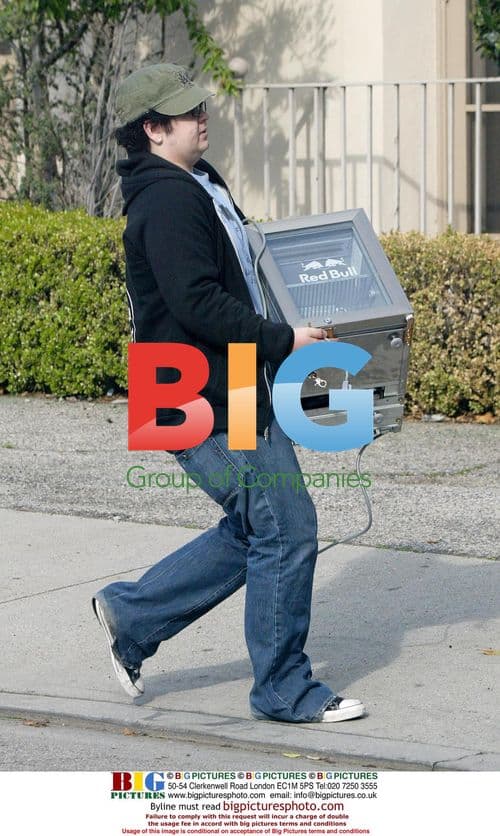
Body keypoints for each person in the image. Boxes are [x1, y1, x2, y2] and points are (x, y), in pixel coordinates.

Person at [92, 63, 365, 724]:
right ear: (153, 130)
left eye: (198, 106)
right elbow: (198, 304)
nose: (202, 116)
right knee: (288, 525)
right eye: (186, 112)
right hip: (189, 390)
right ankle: (283, 687)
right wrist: (283, 341)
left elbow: (241, 272)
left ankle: (132, 613)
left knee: (265, 526)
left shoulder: (200, 182)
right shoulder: (165, 199)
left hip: (233, 377)